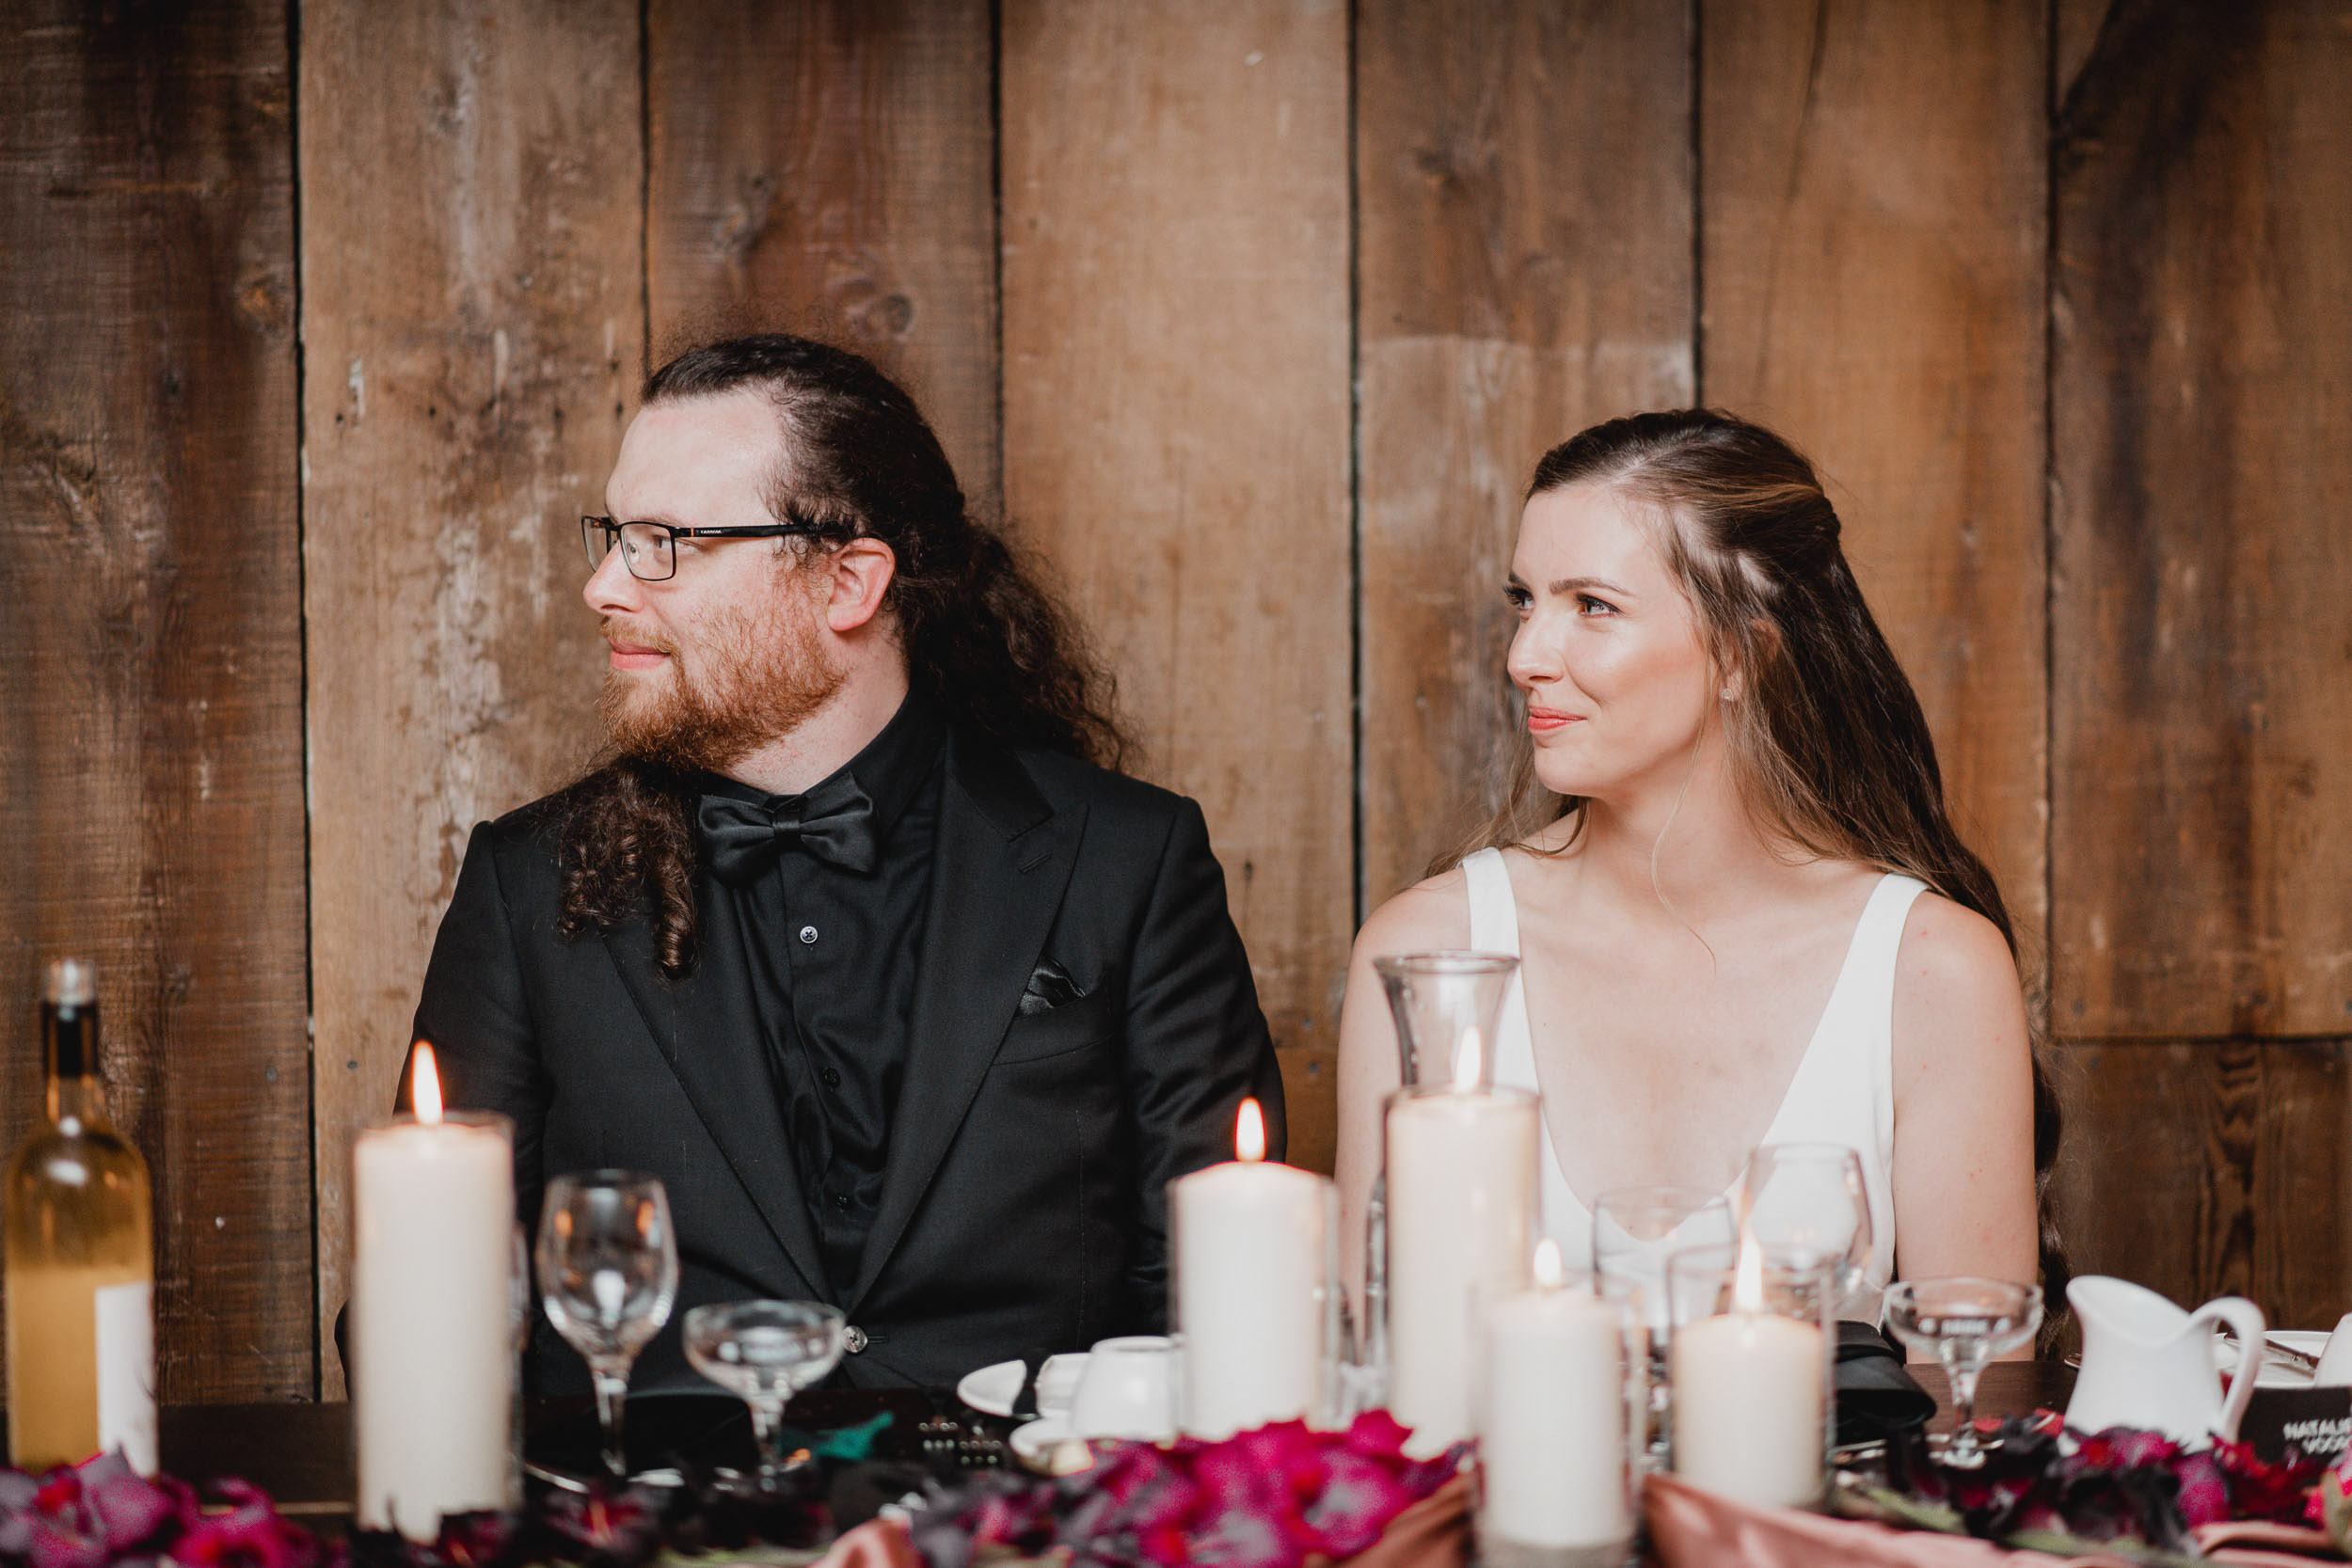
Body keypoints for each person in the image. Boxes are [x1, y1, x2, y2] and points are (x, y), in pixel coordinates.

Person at [412, 334, 1285, 1392]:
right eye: (614, 535)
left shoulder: (1128, 860)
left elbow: (1206, 1296)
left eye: (665, 542)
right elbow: (431, 1311)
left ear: (847, 581)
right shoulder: (523, 881)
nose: (604, 585)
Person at [1334, 409, 2058, 1324]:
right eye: (1525, 600)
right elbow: (1369, 1352)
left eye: (1592, 605)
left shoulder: (1931, 969)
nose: (1524, 657)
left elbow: (1971, 1385)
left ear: (1741, 653)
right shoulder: (1430, 953)